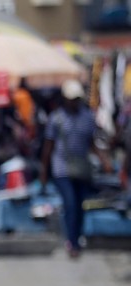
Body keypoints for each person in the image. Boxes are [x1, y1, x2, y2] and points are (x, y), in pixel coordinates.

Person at [41, 79, 108, 259]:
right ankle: (72, 242)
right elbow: (48, 146)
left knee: (79, 206)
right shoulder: (56, 118)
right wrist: (43, 172)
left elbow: (92, 143)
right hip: (61, 168)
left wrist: (104, 160)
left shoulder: (87, 117)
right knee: (70, 204)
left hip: (81, 168)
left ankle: (76, 237)